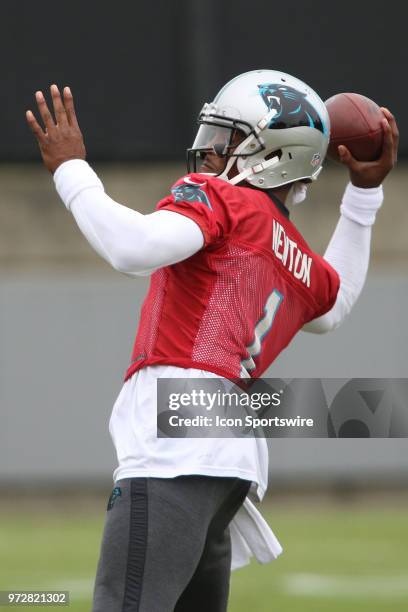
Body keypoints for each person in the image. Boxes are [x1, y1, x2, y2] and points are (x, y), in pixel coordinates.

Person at [26, 69, 398, 612]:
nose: (209, 151)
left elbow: (134, 247)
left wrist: (71, 171)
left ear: (271, 155)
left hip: (177, 438)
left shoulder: (219, 198)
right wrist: (364, 195)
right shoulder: (285, 242)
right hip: (230, 455)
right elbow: (334, 306)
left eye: (228, 138)